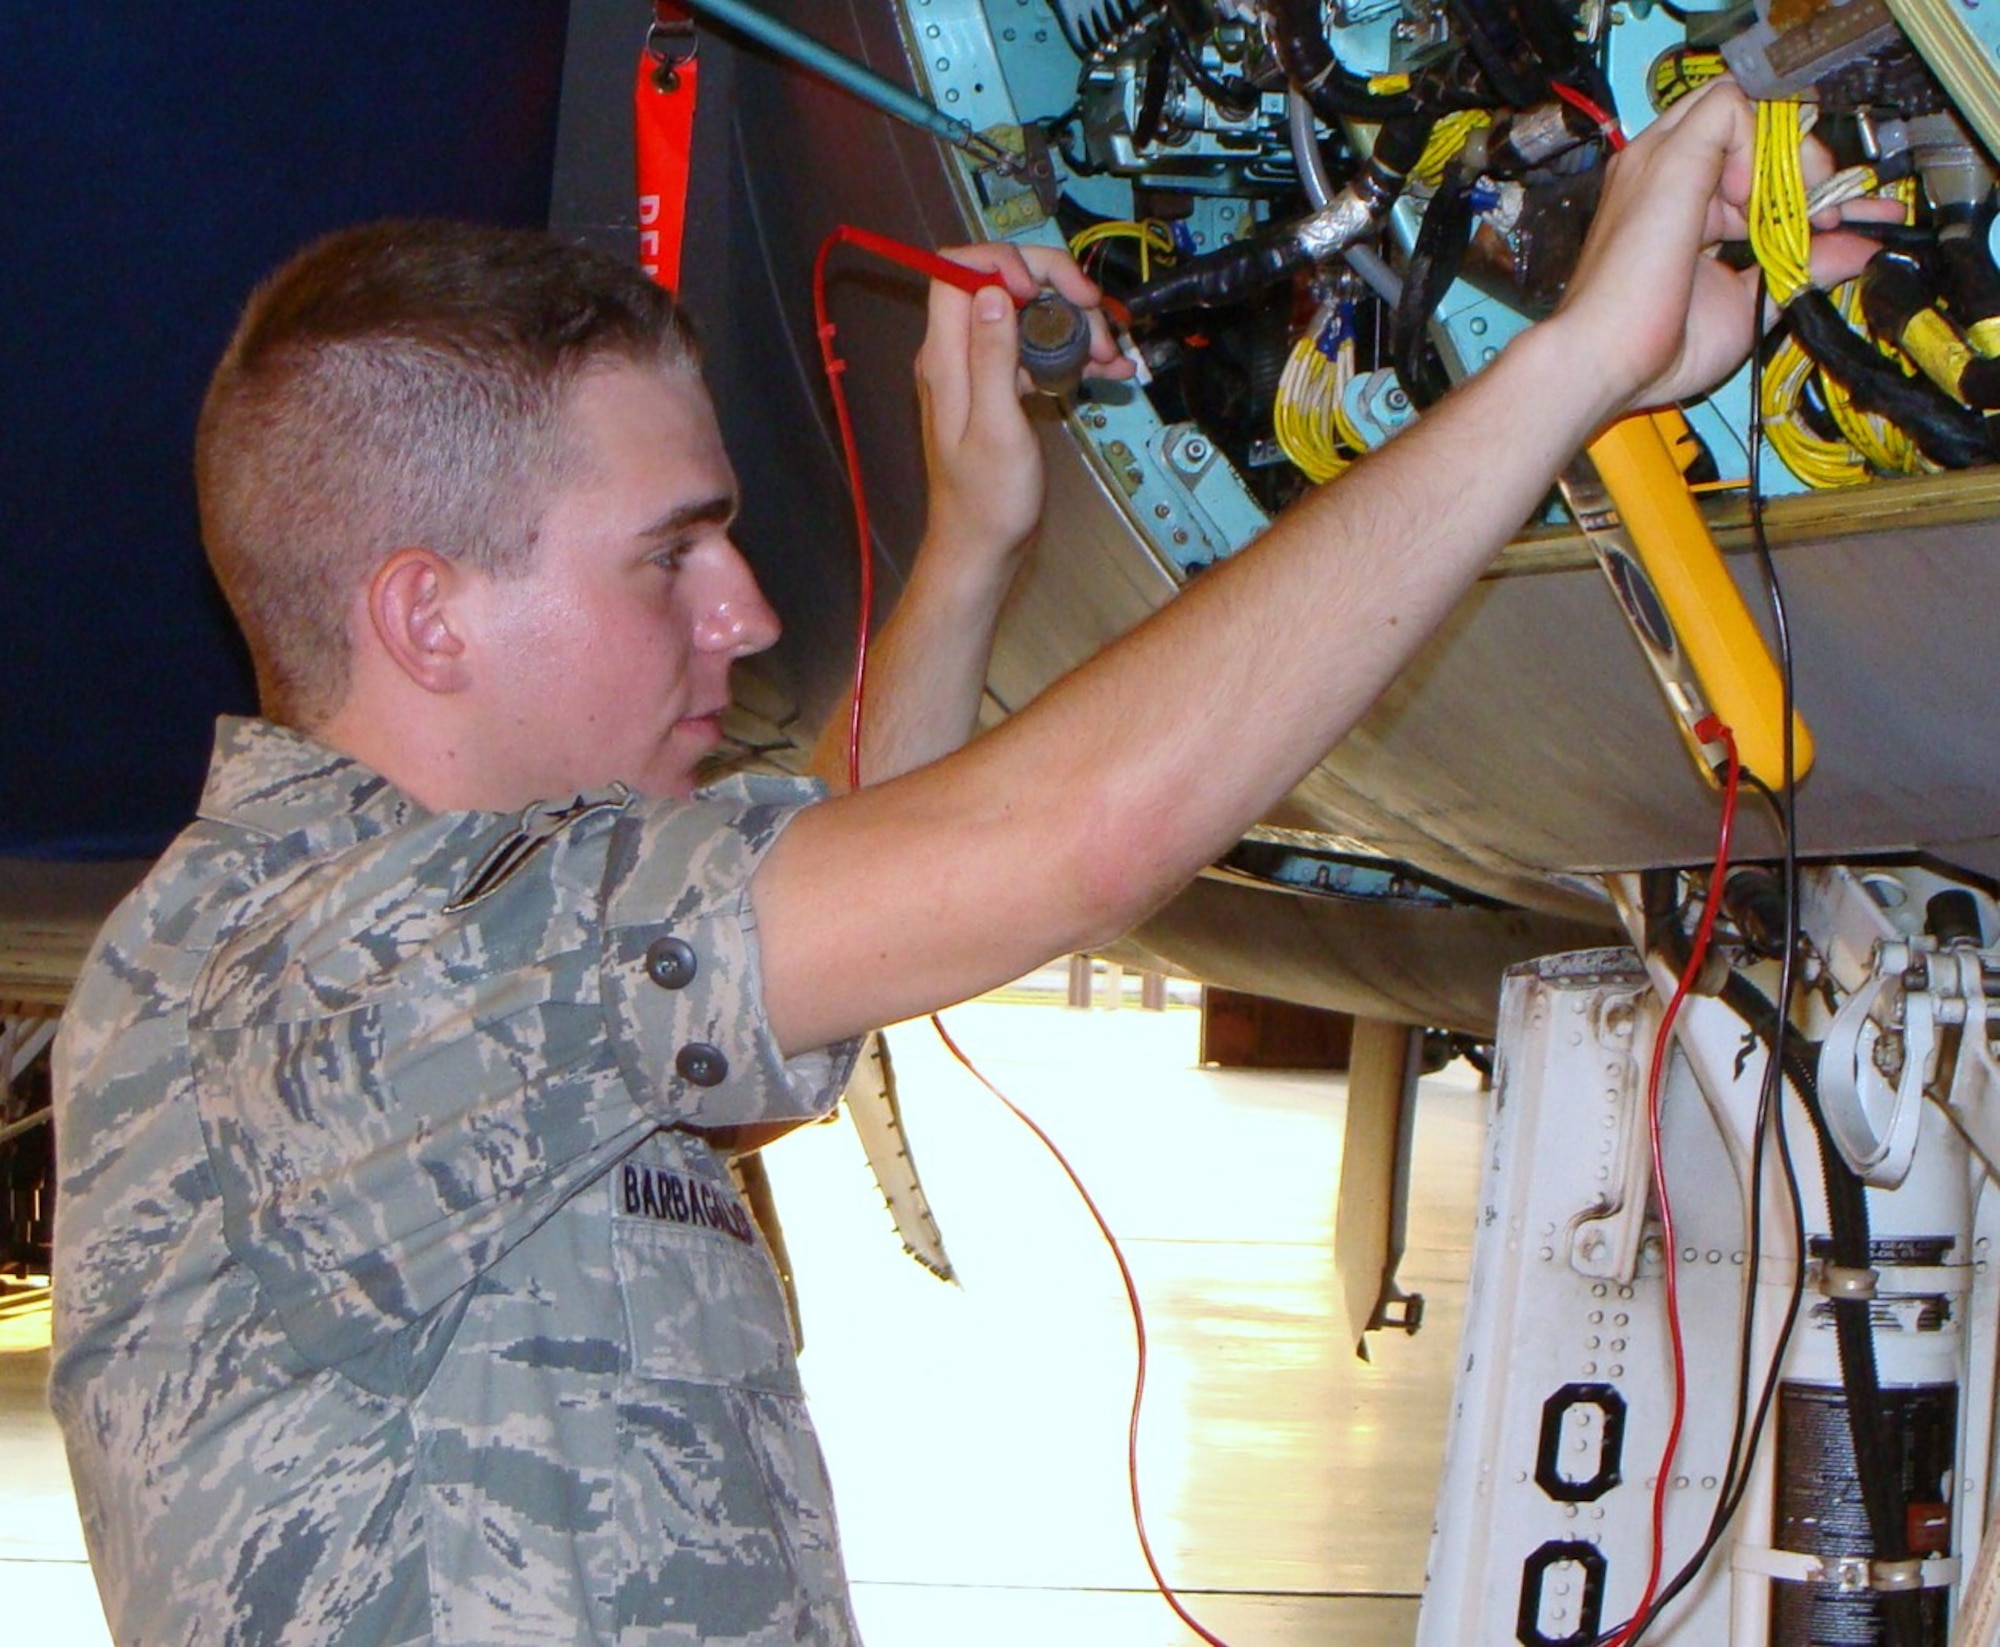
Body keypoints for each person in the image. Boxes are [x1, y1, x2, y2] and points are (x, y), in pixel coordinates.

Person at [49, 78, 1881, 1646]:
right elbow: (1067, 846)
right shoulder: (318, 973)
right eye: (667, 558)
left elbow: (846, 911)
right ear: (426, 619)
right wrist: (1568, 366)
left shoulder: (444, 977)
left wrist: (975, 543)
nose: (748, 612)